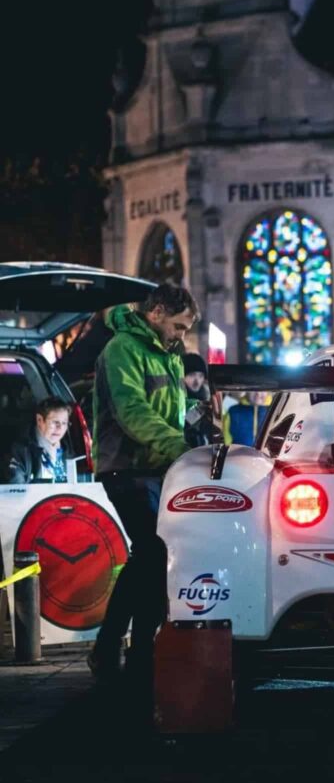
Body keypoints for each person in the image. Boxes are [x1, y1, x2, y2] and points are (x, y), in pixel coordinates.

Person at [88, 283, 199, 685]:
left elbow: (172, 411)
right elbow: (132, 411)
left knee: (155, 557)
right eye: (178, 326)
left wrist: (193, 432)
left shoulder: (168, 355)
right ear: (155, 314)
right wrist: (180, 445)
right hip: (125, 468)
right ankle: (115, 645)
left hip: (160, 469)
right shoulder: (122, 350)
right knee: (153, 551)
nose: (181, 336)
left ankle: (132, 649)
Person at [2, 397, 71, 484]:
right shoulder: (20, 451)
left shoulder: (67, 451)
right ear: (39, 420)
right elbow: (16, 491)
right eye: (55, 422)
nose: (60, 428)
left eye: (64, 423)